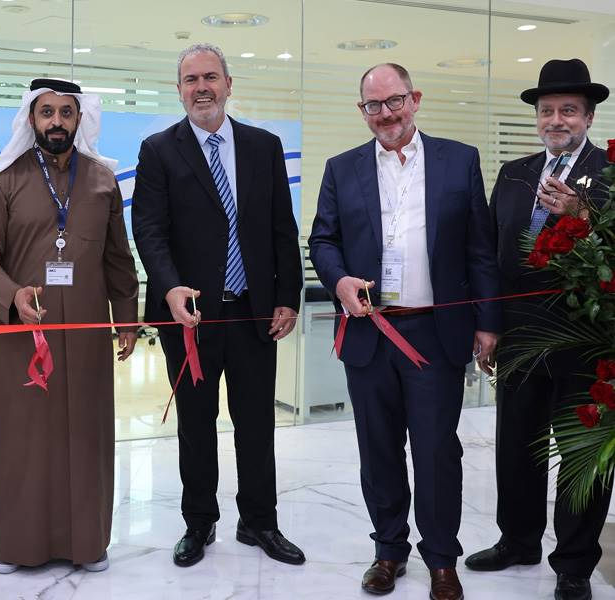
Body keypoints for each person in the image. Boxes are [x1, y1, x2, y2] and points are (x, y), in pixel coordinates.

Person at [308, 63, 500, 600]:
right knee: (379, 449)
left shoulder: (459, 160)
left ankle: (442, 559)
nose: (385, 114)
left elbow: (479, 248)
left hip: (434, 334)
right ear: (361, 111)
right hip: (371, 336)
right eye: (373, 106)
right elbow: (323, 241)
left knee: (438, 450)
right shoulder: (341, 168)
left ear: (414, 98)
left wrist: (488, 322)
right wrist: (339, 278)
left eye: (394, 101)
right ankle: (389, 550)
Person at [132, 43, 305, 568]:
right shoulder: (159, 149)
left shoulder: (264, 146)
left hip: (253, 312)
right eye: (190, 79)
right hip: (190, 316)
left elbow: (281, 227)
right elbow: (150, 230)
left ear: (229, 84)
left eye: (210, 77)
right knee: (196, 424)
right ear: (179, 89)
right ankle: (199, 523)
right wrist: (168, 287)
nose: (201, 87)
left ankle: (259, 523)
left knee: (257, 424)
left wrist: (287, 297)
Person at [0, 78, 139, 574]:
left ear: (79, 119)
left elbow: (117, 259)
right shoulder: (3, 181)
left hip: (85, 336)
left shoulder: (103, 182)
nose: (57, 122)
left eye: (67, 112)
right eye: (47, 112)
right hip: (23, 338)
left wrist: (126, 317)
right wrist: (11, 296)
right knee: (23, 441)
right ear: (31, 118)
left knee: (87, 437)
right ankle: (19, 546)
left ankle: (87, 544)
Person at [464, 58, 611, 600]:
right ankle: (518, 540)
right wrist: (487, 323)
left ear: (588, 116)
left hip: (586, 339)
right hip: (520, 335)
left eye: (567, 111)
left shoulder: (610, 175)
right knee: (516, 445)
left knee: (579, 453)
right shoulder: (515, 173)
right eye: (547, 111)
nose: (556, 120)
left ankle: (573, 562)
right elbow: (489, 253)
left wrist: (584, 213)